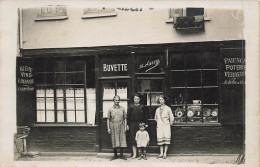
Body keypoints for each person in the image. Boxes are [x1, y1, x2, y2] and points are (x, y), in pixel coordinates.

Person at [107, 95, 127, 161]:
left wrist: (125, 126)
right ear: (113, 101)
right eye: (116, 100)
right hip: (113, 125)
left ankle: (121, 155)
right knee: (114, 139)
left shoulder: (122, 108)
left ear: (119, 101)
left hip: (121, 125)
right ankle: (115, 155)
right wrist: (108, 128)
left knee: (122, 139)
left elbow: (125, 118)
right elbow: (108, 119)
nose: (117, 101)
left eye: (118, 100)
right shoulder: (110, 109)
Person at [127, 94, 147, 159]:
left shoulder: (142, 106)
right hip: (132, 124)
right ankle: (134, 154)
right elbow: (128, 116)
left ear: (139, 99)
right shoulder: (130, 106)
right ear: (133, 99)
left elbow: (145, 116)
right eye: (135, 99)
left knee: (140, 138)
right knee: (133, 138)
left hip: (140, 124)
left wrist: (145, 123)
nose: (136, 100)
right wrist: (127, 124)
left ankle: (140, 154)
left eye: (137, 99)